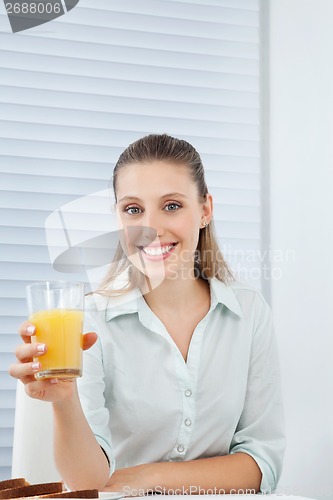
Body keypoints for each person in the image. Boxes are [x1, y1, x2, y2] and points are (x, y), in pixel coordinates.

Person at [9, 134, 285, 495]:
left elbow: (262, 464)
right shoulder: (89, 321)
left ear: (205, 210)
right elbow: (89, 485)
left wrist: (149, 476)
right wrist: (65, 400)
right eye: (133, 209)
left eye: (171, 205)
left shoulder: (249, 312)